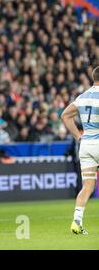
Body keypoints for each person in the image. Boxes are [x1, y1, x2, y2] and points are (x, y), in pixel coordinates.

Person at [61, 66, 99, 235]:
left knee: (87, 187)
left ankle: (77, 222)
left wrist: (78, 136)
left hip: (86, 145)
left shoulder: (82, 97)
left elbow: (65, 115)